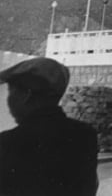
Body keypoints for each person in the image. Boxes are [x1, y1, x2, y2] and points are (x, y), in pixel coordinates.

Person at [0, 57, 98, 196]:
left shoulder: (9, 142)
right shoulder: (85, 135)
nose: (9, 100)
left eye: (11, 91)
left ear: (26, 95)